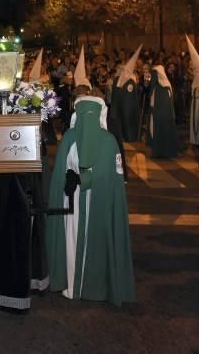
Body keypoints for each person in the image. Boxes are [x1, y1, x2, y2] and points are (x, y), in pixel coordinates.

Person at [46, 96, 135, 306]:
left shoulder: (106, 141)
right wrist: (69, 179)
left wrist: (81, 178)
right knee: (73, 239)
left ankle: (92, 285)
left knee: (90, 239)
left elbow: (110, 176)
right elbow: (61, 171)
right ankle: (72, 283)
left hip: (98, 202)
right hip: (73, 201)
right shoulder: (71, 138)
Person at [109, 45, 141, 143]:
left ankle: (129, 137)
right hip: (119, 107)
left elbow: (132, 94)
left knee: (127, 124)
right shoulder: (117, 80)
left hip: (127, 108)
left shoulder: (130, 81)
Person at [148, 65, 178, 158]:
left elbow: (164, 105)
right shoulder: (157, 86)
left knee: (162, 133)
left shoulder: (164, 88)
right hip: (156, 114)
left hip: (162, 117)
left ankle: (162, 152)